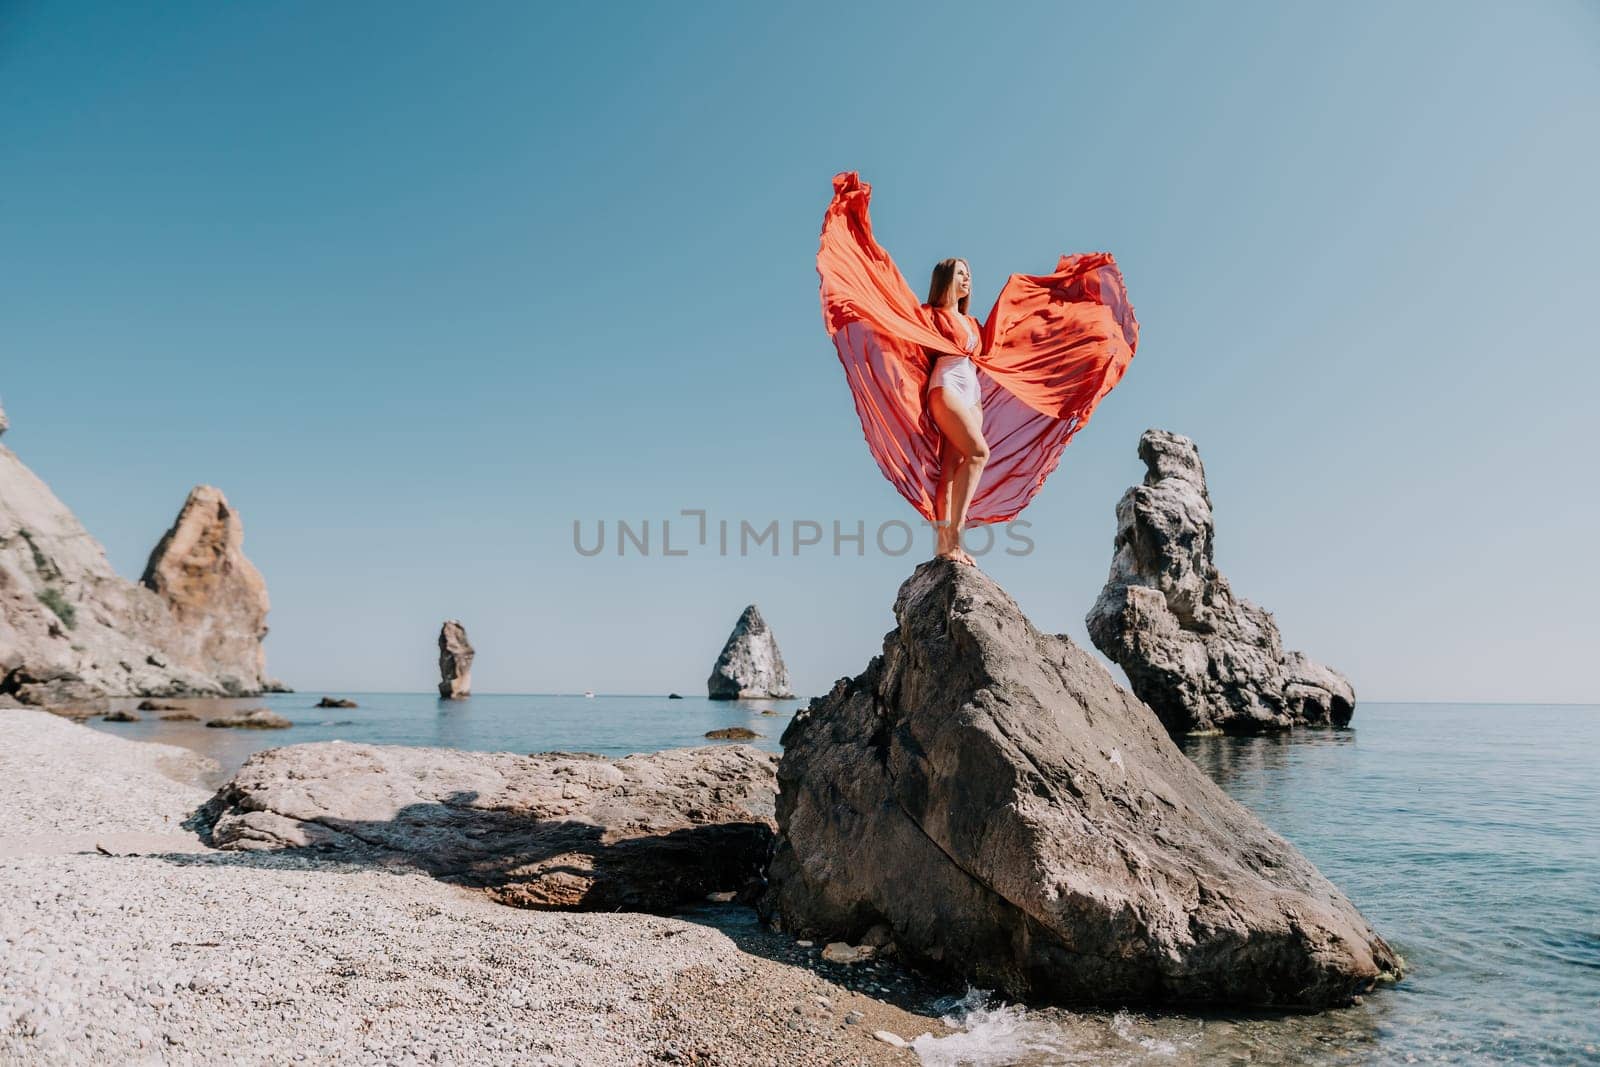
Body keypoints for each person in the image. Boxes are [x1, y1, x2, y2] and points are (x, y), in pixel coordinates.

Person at [817, 171, 1140, 565]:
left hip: (972, 393)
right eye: (960, 274)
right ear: (944, 280)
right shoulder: (930, 315)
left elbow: (1010, 342)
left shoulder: (972, 325)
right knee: (978, 453)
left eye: (969, 275)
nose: (967, 279)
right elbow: (895, 318)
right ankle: (953, 540)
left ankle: (944, 546)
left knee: (952, 469)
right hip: (945, 387)